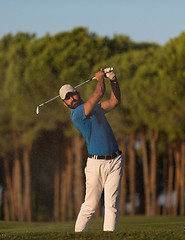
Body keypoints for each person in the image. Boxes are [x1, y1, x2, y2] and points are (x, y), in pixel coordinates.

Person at [59, 69, 124, 232]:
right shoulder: (77, 114)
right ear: (64, 104)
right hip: (96, 165)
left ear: (77, 93)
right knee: (90, 206)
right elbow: (99, 92)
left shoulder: (96, 109)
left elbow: (115, 102)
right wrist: (100, 79)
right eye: (67, 98)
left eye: (72, 94)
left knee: (112, 205)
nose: (71, 99)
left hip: (115, 160)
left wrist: (113, 80)